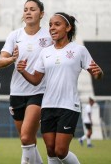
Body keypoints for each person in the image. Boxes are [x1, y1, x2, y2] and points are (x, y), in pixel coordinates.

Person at [17, 12, 103, 164]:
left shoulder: (79, 50)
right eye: (50, 25)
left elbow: (96, 74)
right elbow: (36, 80)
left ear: (68, 27)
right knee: (50, 150)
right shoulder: (45, 52)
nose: (52, 28)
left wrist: (99, 74)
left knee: (61, 151)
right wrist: (23, 71)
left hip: (69, 106)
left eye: (57, 24)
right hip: (48, 106)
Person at [0, 0, 52, 164]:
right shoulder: (15, 35)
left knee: (26, 137)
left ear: (41, 14)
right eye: (26, 9)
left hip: (39, 91)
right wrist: (12, 58)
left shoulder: (49, 36)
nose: (28, 12)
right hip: (17, 92)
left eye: (33, 9)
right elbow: (0, 62)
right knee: (28, 140)